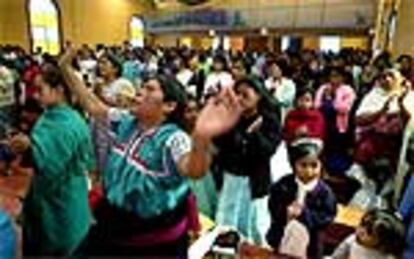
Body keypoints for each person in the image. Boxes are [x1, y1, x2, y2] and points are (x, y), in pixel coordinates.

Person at [59, 48, 242, 257]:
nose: (139, 92)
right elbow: (93, 106)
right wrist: (65, 68)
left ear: (169, 105)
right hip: (111, 232)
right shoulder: (127, 121)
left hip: (152, 246)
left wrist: (201, 137)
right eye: (141, 87)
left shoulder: (173, 138)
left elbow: (193, 169)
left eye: (149, 89)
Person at [9, 62, 95, 256]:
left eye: (40, 90)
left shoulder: (64, 124)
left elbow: (51, 164)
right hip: (61, 196)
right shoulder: (55, 115)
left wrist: (30, 147)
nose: (35, 95)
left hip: (59, 205)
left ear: (59, 90)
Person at [214, 76, 281, 245]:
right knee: (226, 223)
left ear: (258, 96)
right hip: (231, 177)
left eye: (245, 95)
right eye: (237, 94)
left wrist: (253, 134)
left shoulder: (268, 119)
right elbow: (219, 145)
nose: (240, 99)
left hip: (255, 180)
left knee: (255, 227)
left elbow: (267, 150)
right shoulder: (231, 117)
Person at [267, 138, 337, 258]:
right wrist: (285, 211)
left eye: (314, 166)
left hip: (311, 243)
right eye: (303, 165)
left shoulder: (325, 192)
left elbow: (327, 216)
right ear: (294, 165)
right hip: (282, 236)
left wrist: (303, 214)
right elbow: (272, 205)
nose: (309, 171)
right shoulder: (283, 185)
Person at [355, 69, 414, 197]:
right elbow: (358, 120)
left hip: (399, 144)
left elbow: (410, 123)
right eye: (383, 76)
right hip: (374, 140)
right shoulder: (373, 95)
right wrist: (381, 111)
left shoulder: (410, 97)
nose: (387, 79)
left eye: (391, 76)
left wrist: (401, 104)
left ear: (401, 80)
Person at [315, 67, 356, 176]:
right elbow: (317, 105)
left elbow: (344, 108)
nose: (334, 79)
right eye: (332, 76)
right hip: (323, 123)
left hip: (339, 126)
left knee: (337, 151)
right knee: (324, 150)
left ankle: (337, 174)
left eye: (337, 76)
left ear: (342, 78)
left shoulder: (348, 90)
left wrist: (330, 98)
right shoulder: (323, 88)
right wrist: (328, 100)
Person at [331, 209, 405, 259]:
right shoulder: (352, 240)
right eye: (362, 224)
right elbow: (336, 257)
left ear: (384, 242)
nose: (361, 231)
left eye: (369, 232)